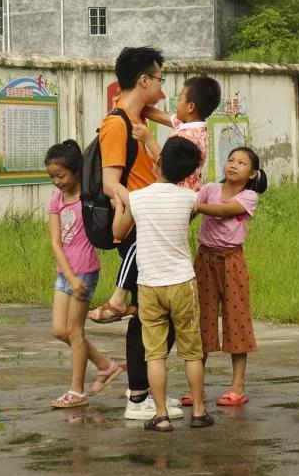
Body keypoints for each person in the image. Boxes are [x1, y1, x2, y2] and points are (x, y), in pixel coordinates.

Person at [93, 46, 183, 421]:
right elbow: (111, 183)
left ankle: (144, 393)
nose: (163, 87)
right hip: (136, 225)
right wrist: (142, 207)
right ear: (143, 80)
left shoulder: (135, 116)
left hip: (148, 221)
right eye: (160, 79)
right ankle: (138, 397)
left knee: (156, 312)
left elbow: (164, 116)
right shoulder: (117, 125)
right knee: (149, 315)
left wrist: (170, 118)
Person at [89, 75, 221, 323]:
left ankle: (118, 299)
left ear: (191, 106)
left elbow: (169, 166)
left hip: (175, 198)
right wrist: (131, 102)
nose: (175, 102)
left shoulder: (192, 138)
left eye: (180, 98)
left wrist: (148, 140)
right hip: (174, 197)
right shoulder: (189, 125)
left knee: (141, 243)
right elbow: (160, 115)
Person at [112, 136, 214, 431]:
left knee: (154, 354)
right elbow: (189, 215)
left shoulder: (138, 197)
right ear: (187, 173)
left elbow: (120, 230)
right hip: (182, 281)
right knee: (192, 351)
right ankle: (198, 411)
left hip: (149, 285)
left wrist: (121, 203)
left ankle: (161, 416)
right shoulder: (189, 198)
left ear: (156, 162)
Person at [182, 146, 266, 409]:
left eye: (241, 163)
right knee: (201, 318)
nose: (233, 165)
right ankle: (196, 387)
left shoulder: (249, 196)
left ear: (252, 173)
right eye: (231, 160)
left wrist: (197, 205)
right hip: (205, 259)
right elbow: (189, 214)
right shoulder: (208, 190)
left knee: (236, 318)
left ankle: (237, 386)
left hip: (231, 260)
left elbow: (224, 211)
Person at [44, 140, 125, 408]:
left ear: (77, 171)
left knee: (74, 332)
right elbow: (55, 242)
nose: (57, 181)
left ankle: (76, 392)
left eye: (61, 175)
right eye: (52, 176)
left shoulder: (88, 200)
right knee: (60, 330)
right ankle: (106, 364)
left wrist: (75, 277)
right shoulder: (56, 201)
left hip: (85, 271)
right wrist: (68, 275)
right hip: (66, 273)